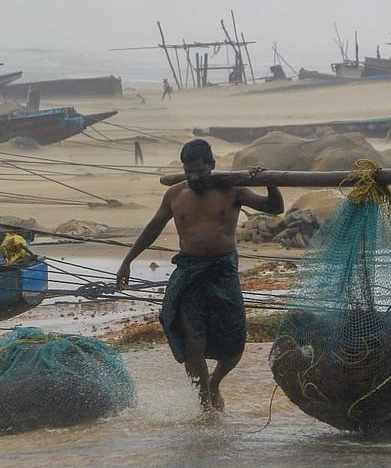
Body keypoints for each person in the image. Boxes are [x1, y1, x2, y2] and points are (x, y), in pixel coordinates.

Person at [116, 139, 284, 412]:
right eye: (188, 171)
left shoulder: (232, 190)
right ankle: (204, 400)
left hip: (222, 271)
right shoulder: (174, 195)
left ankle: (215, 381)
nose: (194, 177)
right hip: (189, 271)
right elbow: (153, 228)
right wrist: (127, 261)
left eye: (199, 171)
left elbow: (273, 208)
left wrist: (270, 181)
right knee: (193, 339)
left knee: (235, 341)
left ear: (211, 166)